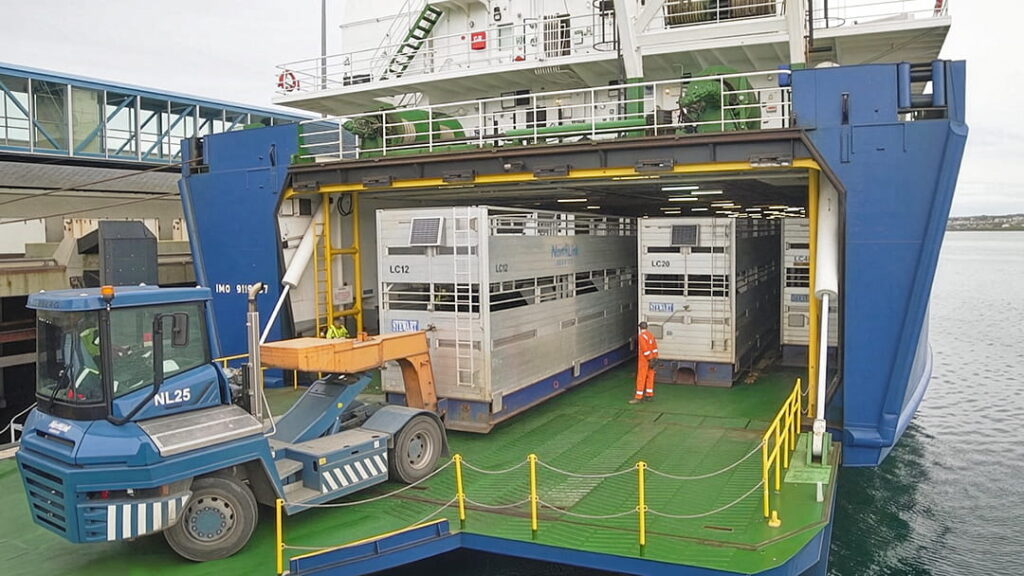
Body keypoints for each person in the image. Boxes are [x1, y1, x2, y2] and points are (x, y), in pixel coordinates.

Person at [630, 321, 659, 404]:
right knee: (650, 377)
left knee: (641, 378)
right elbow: (654, 347)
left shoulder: (641, 336)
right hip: (653, 359)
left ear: (640, 327)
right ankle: (649, 395)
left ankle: (638, 397)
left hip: (644, 360)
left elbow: (644, 349)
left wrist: (649, 359)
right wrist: (654, 358)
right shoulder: (650, 335)